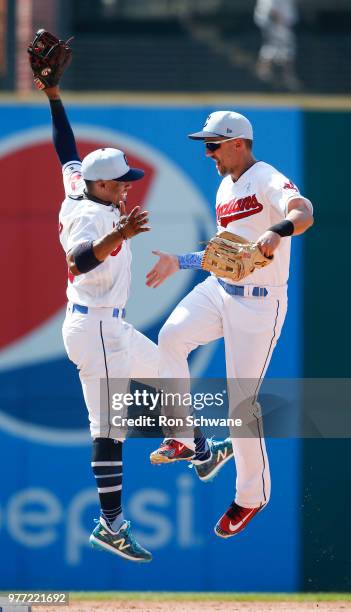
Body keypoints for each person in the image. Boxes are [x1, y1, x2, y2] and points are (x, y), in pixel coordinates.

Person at [147, 110, 313, 537]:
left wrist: (278, 231)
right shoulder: (224, 187)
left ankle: (250, 496)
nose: (208, 153)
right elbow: (226, 256)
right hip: (221, 290)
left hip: (260, 305)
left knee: (241, 407)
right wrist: (180, 261)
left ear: (238, 142)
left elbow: (304, 210)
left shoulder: (265, 178)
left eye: (213, 145)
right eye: (206, 145)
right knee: (171, 336)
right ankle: (183, 435)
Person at [35, 78, 161, 561]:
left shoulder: (80, 187)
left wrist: (53, 96)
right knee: (107, 429)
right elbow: (78, 261)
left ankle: (195, 446)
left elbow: (65, 149)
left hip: (110, 326)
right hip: (97, 329)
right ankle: (111, 525)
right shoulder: (95, 218)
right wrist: (122, 234)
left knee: (170, 368)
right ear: (104, 185)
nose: (129, 187)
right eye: (123, 182)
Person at [254, 0, 300, 91]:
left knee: (284, 50)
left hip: (281, 23)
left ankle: (282, 76)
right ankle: (265, 73)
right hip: (275, 23)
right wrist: (280, 21)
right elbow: (271, 9)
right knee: (274, 48)